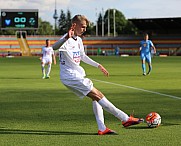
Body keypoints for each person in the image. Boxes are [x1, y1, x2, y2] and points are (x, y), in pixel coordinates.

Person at [53, 15, 144, 135]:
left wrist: (98, 65)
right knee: (99, 95)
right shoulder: (66, 39)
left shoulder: (79, 40)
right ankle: (125, 119)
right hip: (70, 76)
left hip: (76, 75)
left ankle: (102, 128)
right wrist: (65, 38)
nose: (84, 29)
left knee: (96, 98)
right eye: (83, 27)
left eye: (86, 27)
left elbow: (83, 56)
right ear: (74, 25)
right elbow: (54, 47)